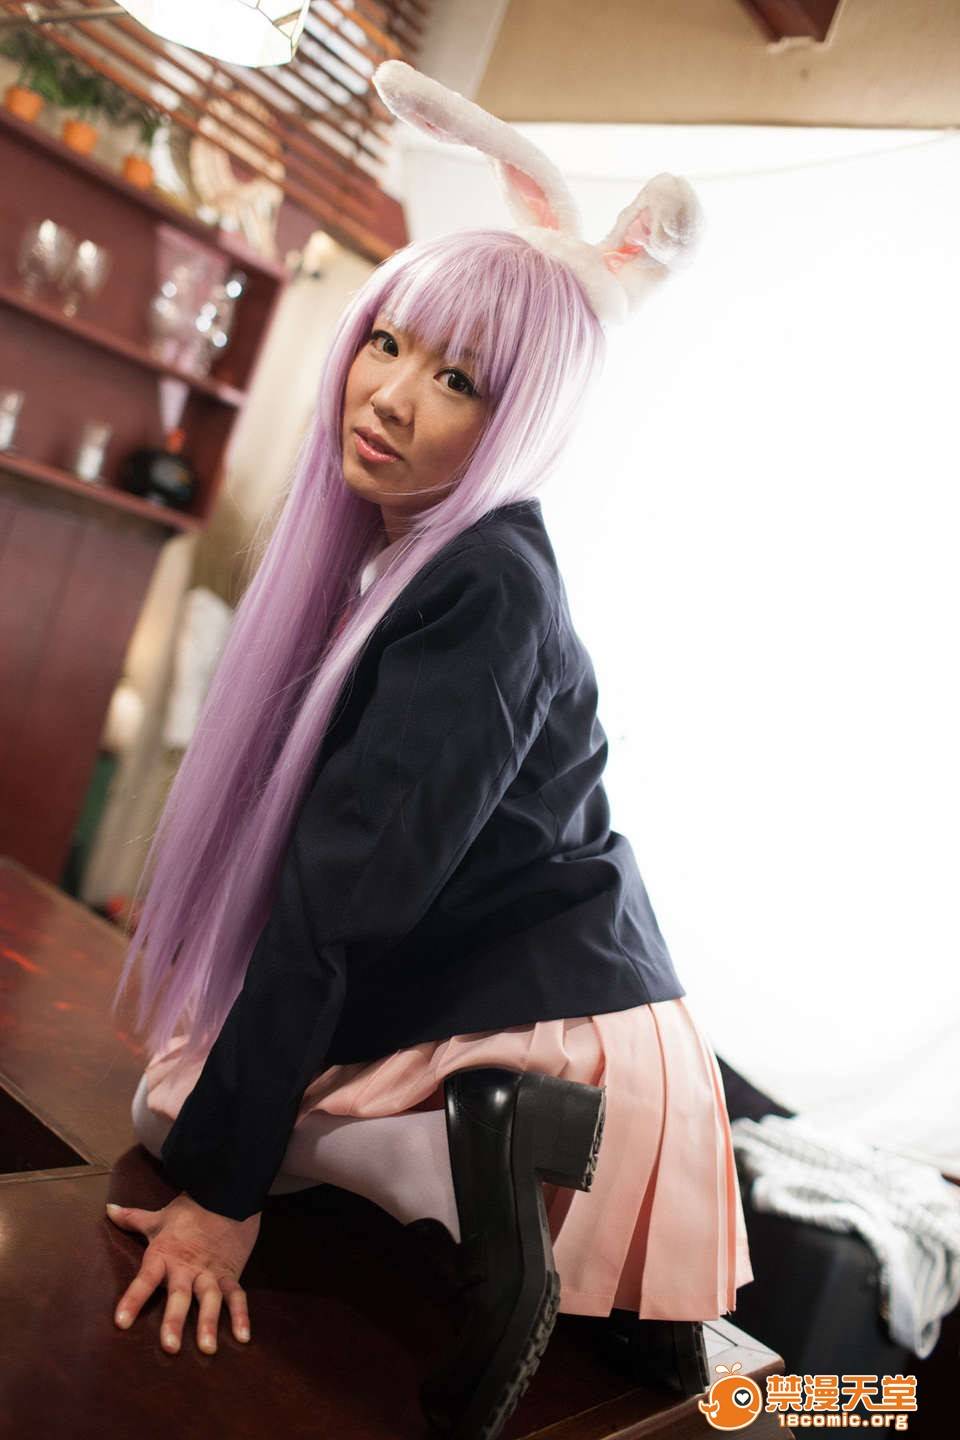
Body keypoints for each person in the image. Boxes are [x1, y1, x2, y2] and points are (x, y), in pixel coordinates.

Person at [106, 61, 752, 1440]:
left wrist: (222, 1201)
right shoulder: (433, 563)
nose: (390, 396)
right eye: (389, 343)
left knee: (181, 1114)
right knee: (186, 1090)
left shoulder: (485, 582)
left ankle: (771, 1374)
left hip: (565, 1040)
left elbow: (345, 897)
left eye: (458, 378)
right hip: (543, 993)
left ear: (520, 418)